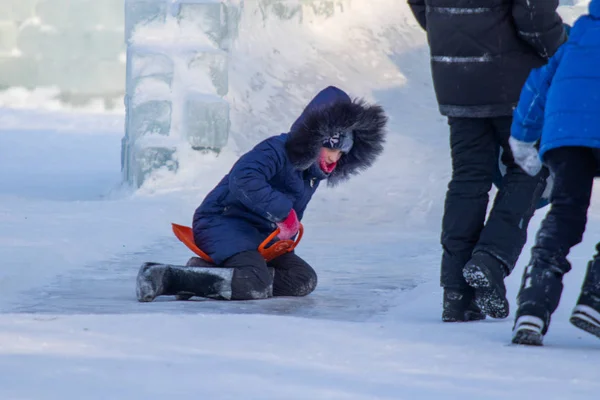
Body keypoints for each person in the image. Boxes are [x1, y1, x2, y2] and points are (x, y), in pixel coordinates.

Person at [136, 86, 387, 302]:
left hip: (260, 236)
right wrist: (282, 214)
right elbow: (243, 179)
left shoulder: (312, 173)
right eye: (329, 148)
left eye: (342, 152)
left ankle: (211, 272)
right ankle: (167, 277)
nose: (334, 158)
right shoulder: (275, 150)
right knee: (255, 283)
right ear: (313, 139)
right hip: (222, 222)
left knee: (302, 280)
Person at [407, 0, 567, 322]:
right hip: (512, 78)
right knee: (531, 169)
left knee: (468, 177)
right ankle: (490, 259)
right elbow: (533, 14)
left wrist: (452, 36)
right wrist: (561, 50)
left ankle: (456, 294)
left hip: (454, 75)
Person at [510, 0, 600, 346]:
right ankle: (595, 299)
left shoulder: (578, 36)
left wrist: (521, 137)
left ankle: (533, 306)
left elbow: (538, 84)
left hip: (565, 135)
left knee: (565, 213)